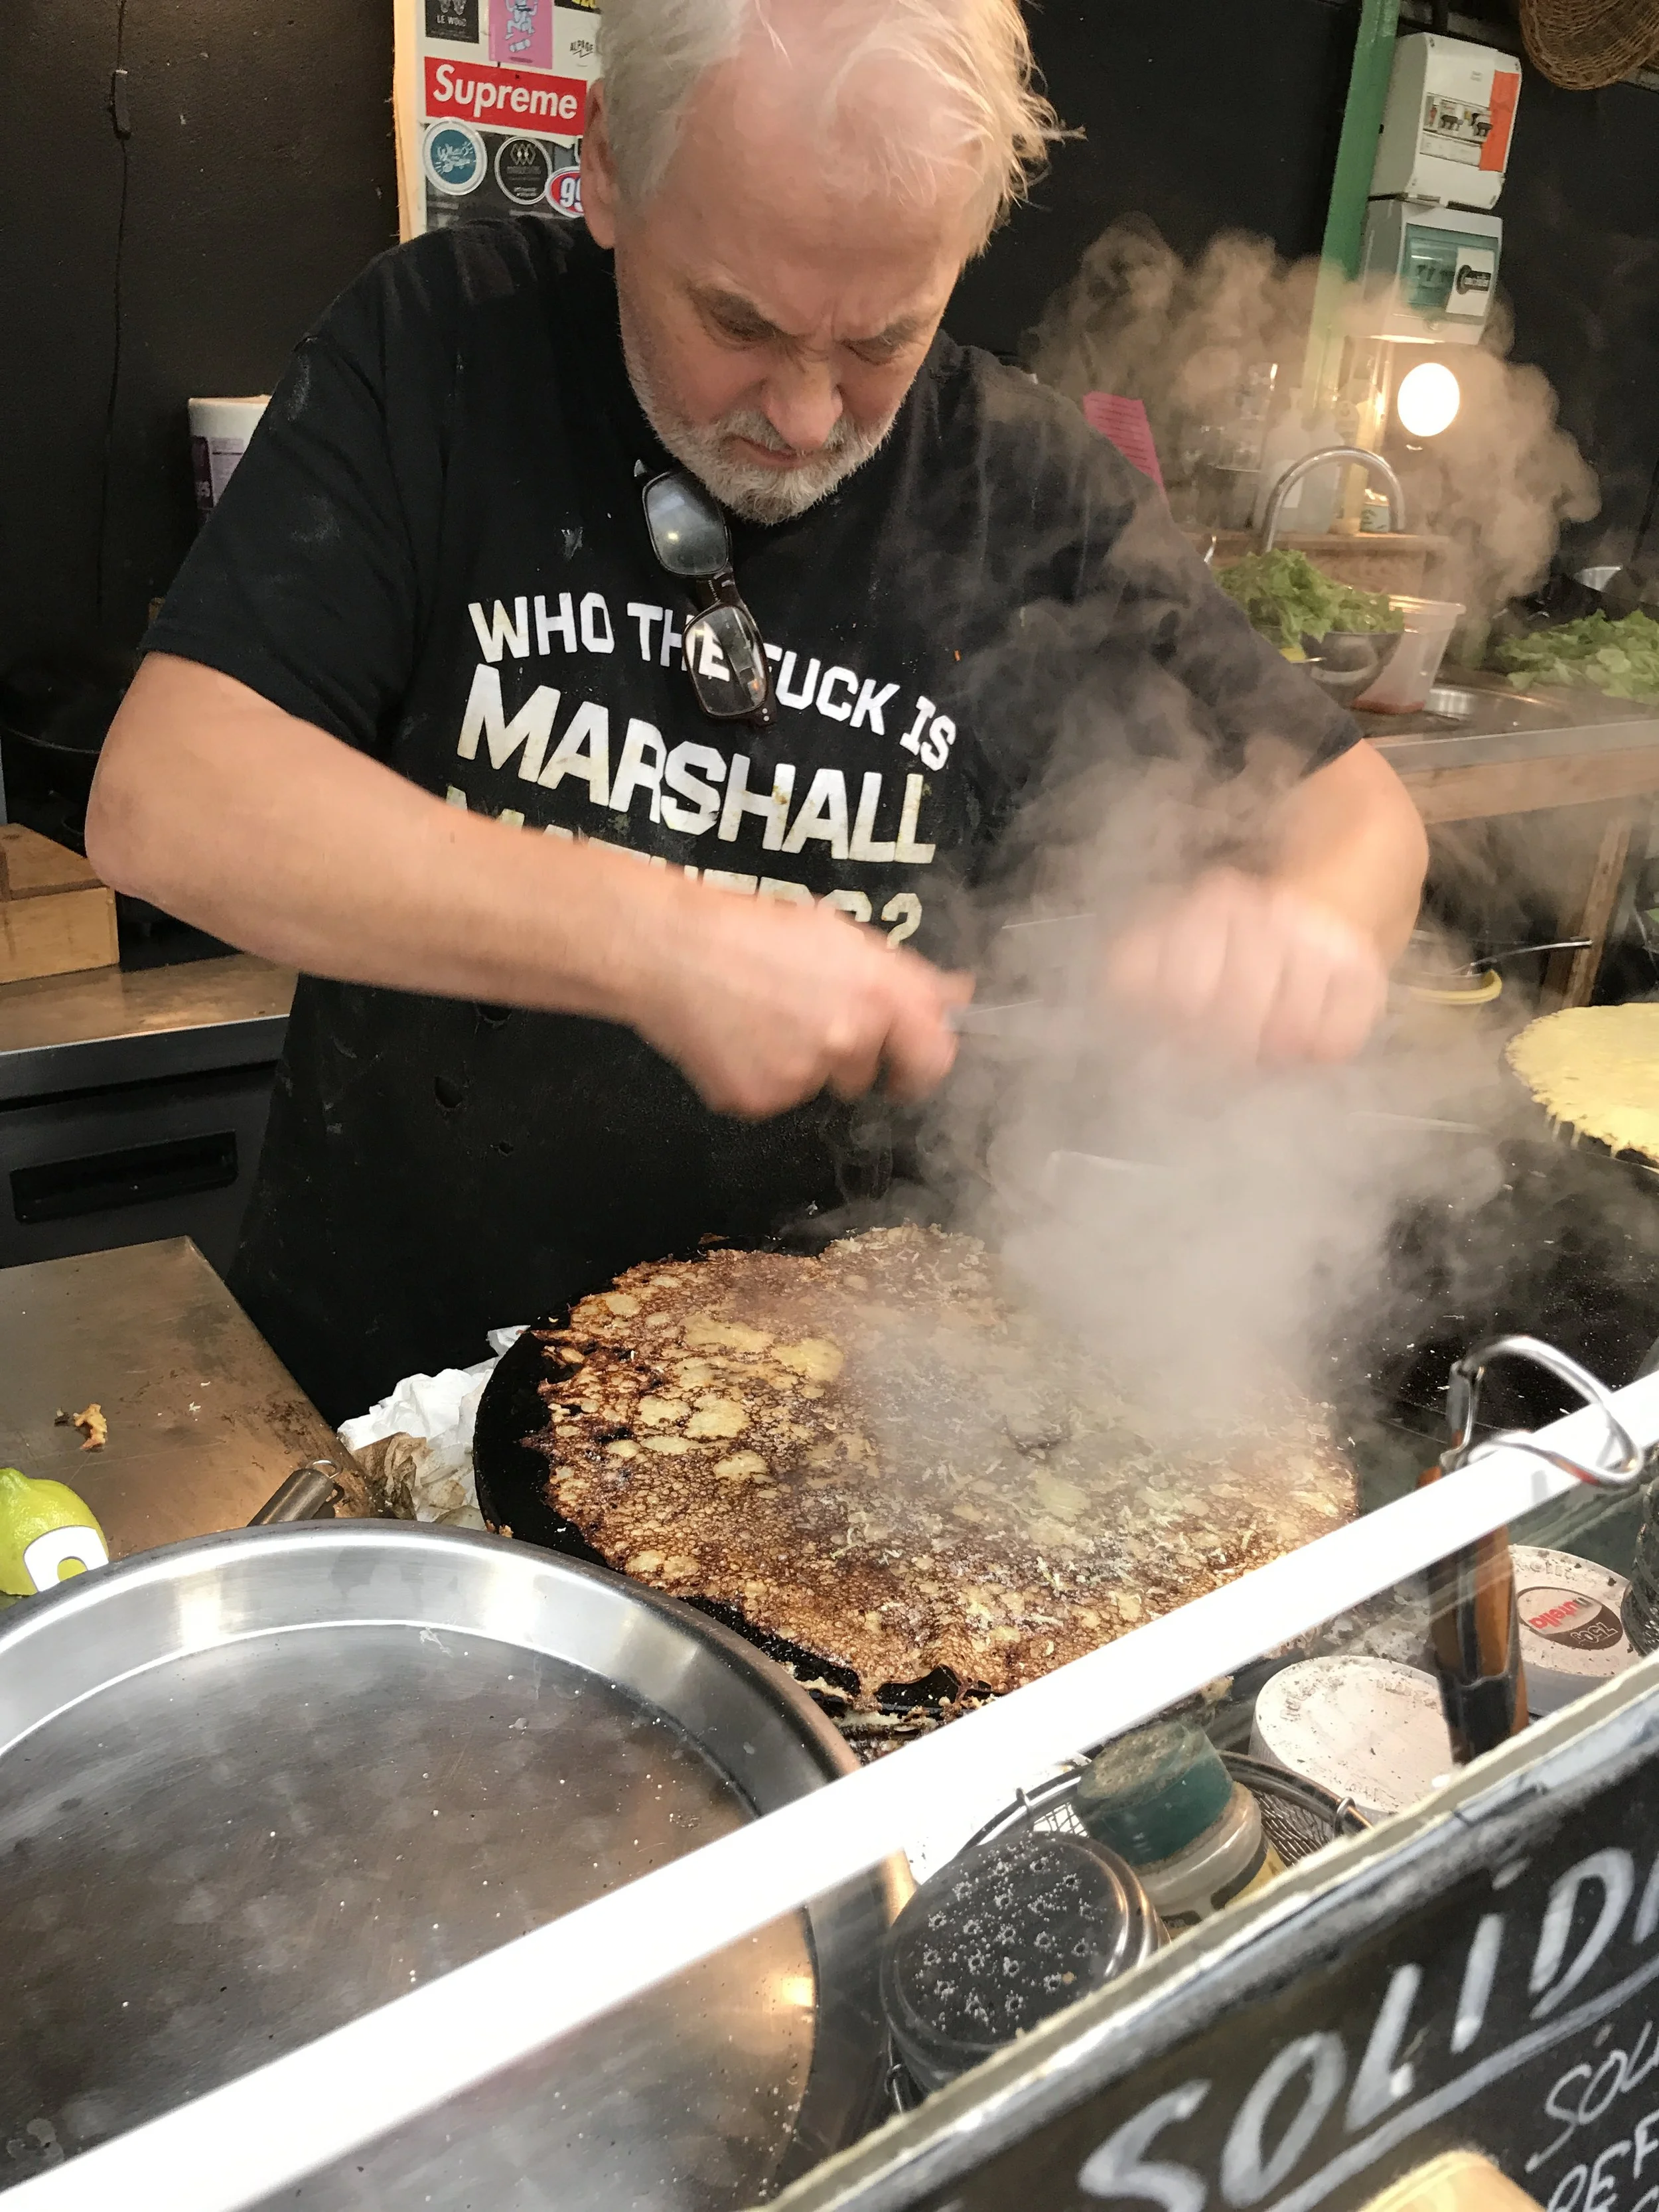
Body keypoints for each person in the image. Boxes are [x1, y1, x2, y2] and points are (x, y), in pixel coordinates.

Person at [87, 0, 1427, 1422]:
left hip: (843, 1428)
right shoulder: (445, 347)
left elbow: (1355, 816)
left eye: (882, 339)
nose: (802, 416)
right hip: (384, 1395)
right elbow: (172, 797)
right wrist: (657, 937)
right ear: (608, 168)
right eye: (737, 321)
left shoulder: (1033, 492)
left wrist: (1299, 934)